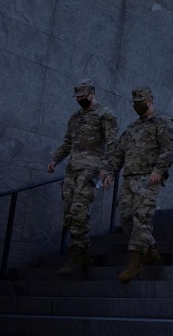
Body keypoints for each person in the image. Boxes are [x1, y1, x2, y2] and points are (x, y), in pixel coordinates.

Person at [99, 87, 173, 282]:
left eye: (140, 101)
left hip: (149, 178)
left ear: (150, 101)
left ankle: (135, 263)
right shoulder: (132, 128)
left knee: (141, 219)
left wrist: (159, 170)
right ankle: (150, 249)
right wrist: (110, 172)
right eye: (134, 102)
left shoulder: (163, 122)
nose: (137, 105)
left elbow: (169, 149)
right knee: (126, 218)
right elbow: (119, 153)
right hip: (129, 180)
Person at [47, 79, 119, 276]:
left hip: (91, 170)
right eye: (77, 97)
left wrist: (107, 168)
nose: (80, 100)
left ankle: (77, 256)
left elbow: (113, 145)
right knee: (70, 214)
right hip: (72, 169)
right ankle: (83, 253)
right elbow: (67, 143)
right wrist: (56, 159)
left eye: (83, 96)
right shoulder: (75, 117)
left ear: (92, 93)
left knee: (79, 210)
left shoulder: (105, 114)